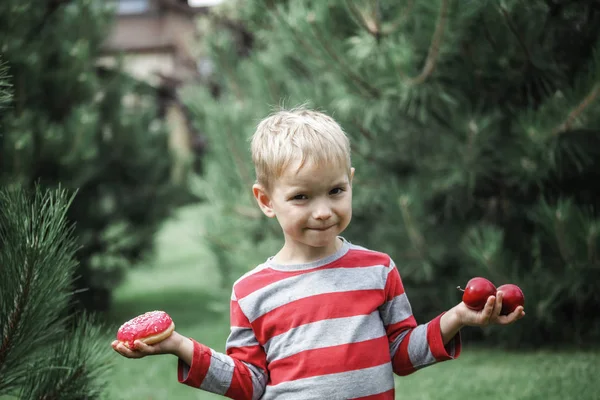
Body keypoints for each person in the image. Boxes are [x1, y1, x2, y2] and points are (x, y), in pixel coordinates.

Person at [112, 107, 525, 399]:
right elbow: (250, 383)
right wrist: (180, 346)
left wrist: (456, 318)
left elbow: (400, 354)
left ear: (351, 182)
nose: (324, 210)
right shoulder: (252, 291)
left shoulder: (377, 270)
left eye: (335, 191)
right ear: (265, 200)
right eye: (301, 197)